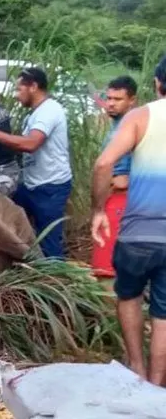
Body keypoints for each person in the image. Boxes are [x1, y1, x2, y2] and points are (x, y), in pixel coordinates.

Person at [91, 56, 166, 385]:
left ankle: (136, 369)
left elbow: (103, 163)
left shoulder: (140, 116)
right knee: (164, 316)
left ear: (157, 83)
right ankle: (156, 384)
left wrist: (97, 211)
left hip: (138, 233)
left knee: (129, 297)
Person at [0, 67, 72, 259]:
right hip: (32, 185)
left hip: (50, 187)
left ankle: (55, 280)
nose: (17, 96)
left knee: (49, 240)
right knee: (10, 216)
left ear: (33, 86)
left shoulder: (48, 111)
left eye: (19, 90)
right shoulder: (34, 114)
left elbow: (31, 144)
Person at [90, 76, 137, 280]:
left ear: (132, 100)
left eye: (117, 99)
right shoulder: (117, 125)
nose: (110, 104)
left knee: (105, 265)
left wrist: (118, 181)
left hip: (120, 198)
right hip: (112, 196)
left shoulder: (132, 125)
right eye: (108, 98)